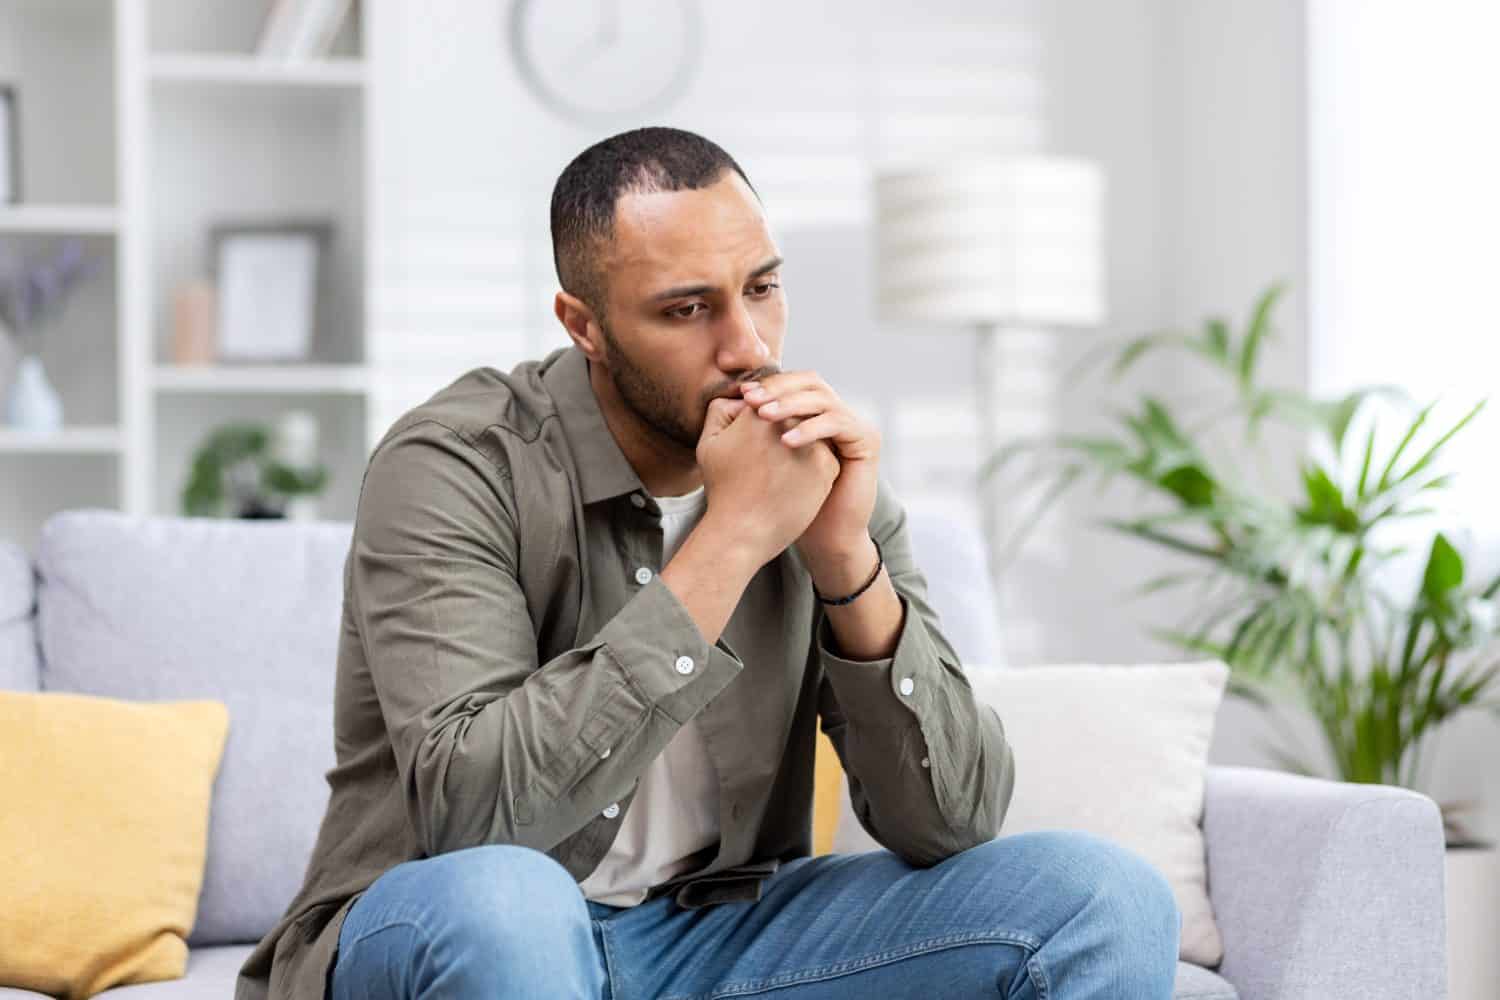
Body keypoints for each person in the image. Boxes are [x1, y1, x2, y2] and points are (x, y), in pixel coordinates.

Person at [235, 126, 1181, 1000]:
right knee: (509, 907)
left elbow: (954, 824)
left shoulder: (818, 466)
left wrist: (846, 558)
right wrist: (732, 538)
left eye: (762, 288)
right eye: (687, 309)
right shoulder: (456, 462)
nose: (748, 347)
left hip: (721, 934)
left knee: (1104, 900)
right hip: (461, 930)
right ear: (585, 324)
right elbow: (479, 822)